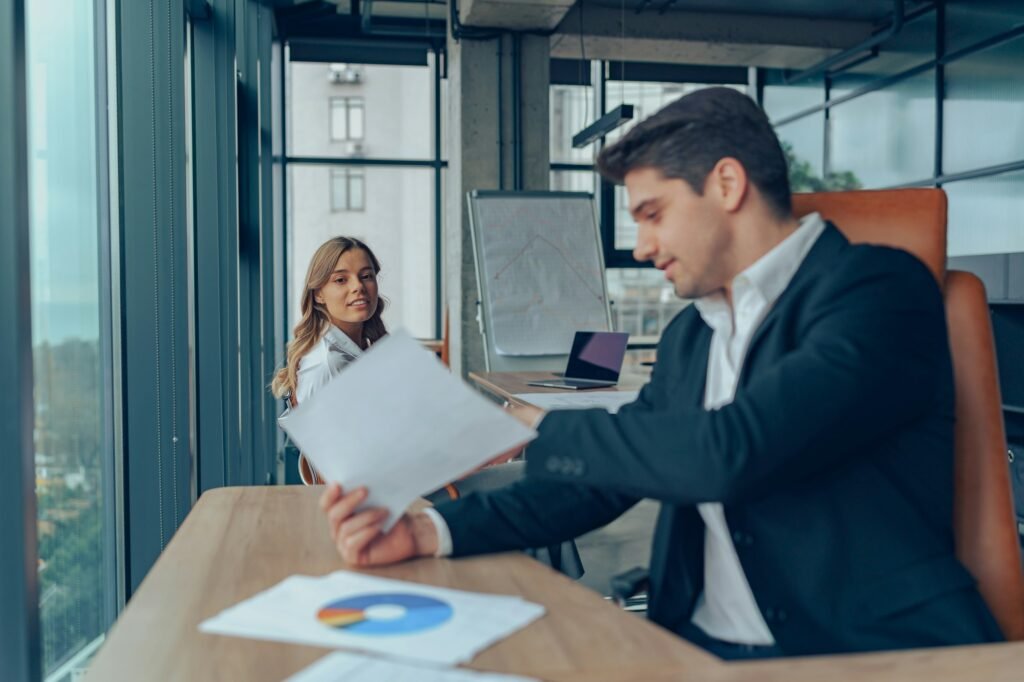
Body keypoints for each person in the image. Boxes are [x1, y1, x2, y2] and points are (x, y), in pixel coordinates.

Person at [318, 87, 1003, 658]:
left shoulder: (877, 292)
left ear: (727, 184)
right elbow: (606, 480)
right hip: (694, 647)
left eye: (653, 214)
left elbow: (735, 451)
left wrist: (545, 432)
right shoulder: (690, 336)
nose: (642, 247)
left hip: (858, 653)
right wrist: (431, 533)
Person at [272, 236, 387, 484]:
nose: (358, 286)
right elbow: (336, 472)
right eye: (341, 280)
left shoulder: (357, 348)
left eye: (366, 276)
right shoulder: (329, 363)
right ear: (318, 295)